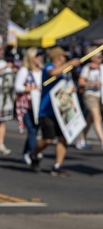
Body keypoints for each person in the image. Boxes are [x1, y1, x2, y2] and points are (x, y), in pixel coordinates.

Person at [34, 46, 82, 176]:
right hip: (47, 110)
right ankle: (34, 153)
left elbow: (68, 87)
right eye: (63, 57)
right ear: (58, 57)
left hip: (62, 112)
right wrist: (70, 63)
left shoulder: (65, 72)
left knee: (62, 138)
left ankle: (57, 165)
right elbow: (52, 73)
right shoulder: (48, 67)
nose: (65, 58)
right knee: (48, 139)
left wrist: (72, 89)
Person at [14, 48, 44, 168]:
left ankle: (26, 153)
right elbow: (18, 87)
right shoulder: (24, 71)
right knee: (31, 129)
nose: (39, 59)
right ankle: (34, 152)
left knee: (35, 129)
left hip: (38, 104)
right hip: (26, 105)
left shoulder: (41, 71)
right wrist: (32, 89)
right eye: (37, 56)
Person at [77, 52, 103, 148]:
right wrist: (93, 84)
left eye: (101, 56)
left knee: (90, 119)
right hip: (90, 95)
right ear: (92, 58)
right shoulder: (87, 68)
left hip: (100, 95)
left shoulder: (102, 67)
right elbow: (81, 82)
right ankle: (102, 140)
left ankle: (81, 140)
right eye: (98, 56)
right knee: (97, 118)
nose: (100, 58)